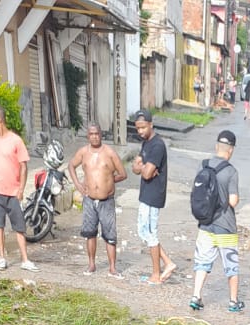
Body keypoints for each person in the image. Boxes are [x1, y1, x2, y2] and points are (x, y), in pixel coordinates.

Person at [189, 130, 244, 314]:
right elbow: (233, 201)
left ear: (216, 147)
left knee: (202, 262)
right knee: (231, 265)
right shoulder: (231, 171)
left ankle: (196, 296)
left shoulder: (203, 165)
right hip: (225, 225)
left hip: (205, 224)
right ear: (232, 150)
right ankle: (233, 302)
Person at [0, 106, 36, 270]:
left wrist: (21, 189)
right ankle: (2, 258)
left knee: (19, 227)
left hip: (13, 193)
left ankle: (25, 260)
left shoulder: (15, 140)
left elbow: (24, 166)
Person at [68, 124, 127, 277]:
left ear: (101, 135)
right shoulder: (83, 152)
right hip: (89, 199)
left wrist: (108, 181)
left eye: (97, 134)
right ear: (88, 135)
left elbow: (122, 173)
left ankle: (112, 268)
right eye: (91, 134)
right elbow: (71, 166)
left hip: (106, 200)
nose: (94, 136)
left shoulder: (109, 152)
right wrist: (78, 185)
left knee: (110, 234)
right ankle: (91, 264)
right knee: (90, 233)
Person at [131, 109, 175, 285]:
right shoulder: (146, 143)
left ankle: (156, 274)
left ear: (151, 124)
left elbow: (147, 174)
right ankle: (168, 263)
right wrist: (143, 168)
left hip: (153, 196)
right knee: (143, 232)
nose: (140, 131)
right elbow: (136, 168)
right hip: (145, 194)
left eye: (143, 127)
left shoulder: (157, 145)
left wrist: (144, 169)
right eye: (138, 128)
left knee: (150, 233)